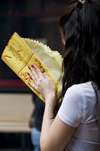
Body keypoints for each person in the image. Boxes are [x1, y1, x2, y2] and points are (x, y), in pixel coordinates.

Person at [28, 0, 100, 150]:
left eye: (63, 37)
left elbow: (49, 149)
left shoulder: (81, 95)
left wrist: (49, 97)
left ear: (74, 43)